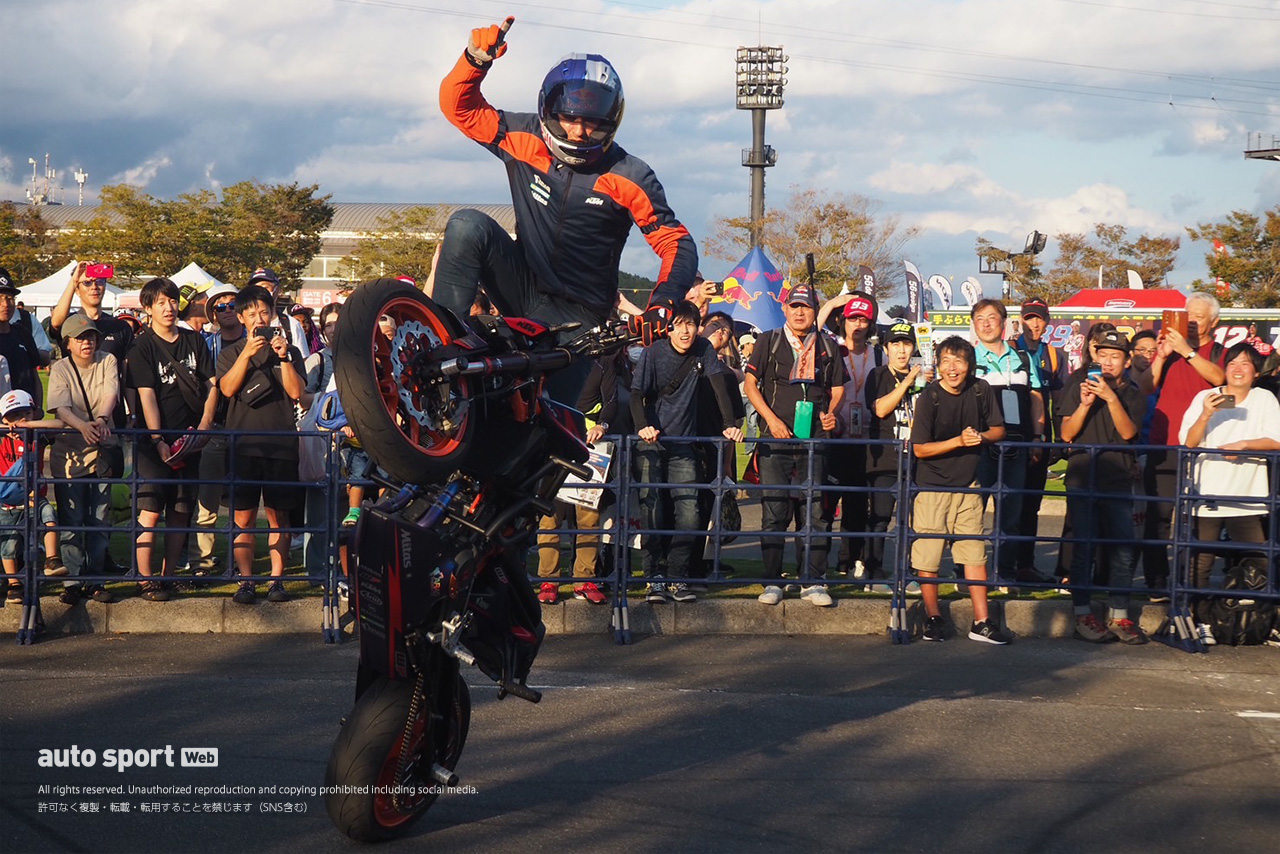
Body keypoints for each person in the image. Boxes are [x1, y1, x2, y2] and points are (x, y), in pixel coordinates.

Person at [436, 16, 698, 402]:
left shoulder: (631, 175)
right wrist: (474, 61)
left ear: (611, 121)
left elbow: (676, 242)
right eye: (569, 117)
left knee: (555, 429)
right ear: (548, 111)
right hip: (521, 286)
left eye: (591, 122)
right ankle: (438, 343)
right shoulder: (523, 138)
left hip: (582, 323)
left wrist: (661, 304)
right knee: (466, 225)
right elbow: (461, 110)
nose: (578, 131)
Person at [631, 300, 742, 603]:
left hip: (685, 444)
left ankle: (678, 578)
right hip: (651, 443)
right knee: (651, 509)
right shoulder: (654, 353)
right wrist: (643, 426)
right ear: (669, 328)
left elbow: (719, 386)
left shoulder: (704, 349)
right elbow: (636, 394)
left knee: (690, 513)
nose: (685, 331)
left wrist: (729, 424)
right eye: (679, 324)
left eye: (691, 324)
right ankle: (654, 578)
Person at [744, 285, 847, 608]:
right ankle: (772, 581)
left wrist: (832, 414)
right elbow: (750, 384)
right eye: (795, 306)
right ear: (785, 310)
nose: (800, 312)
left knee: (815, 513)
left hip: (815, 439)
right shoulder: (768, 340)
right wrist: (771, 420)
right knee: (775, 512)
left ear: (815, 311)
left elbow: (838, 388)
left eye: (806, 307)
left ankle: (813, 581)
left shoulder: (827, 345)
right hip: (775, 439)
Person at [909, 336, 1011, 644]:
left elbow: (999, 428)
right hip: (932, 487)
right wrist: (958, 441)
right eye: (946, 362)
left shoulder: (981, 390)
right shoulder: (929, 397)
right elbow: (919, 449)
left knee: (975, 554)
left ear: (969, 365)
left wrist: (979, 437)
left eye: (959, 362)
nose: (952, 369)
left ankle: (982, 621)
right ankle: (933, 617)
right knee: (927, 557)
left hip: (969, 486)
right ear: (938, 365)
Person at [1178, 342, 1280, 645]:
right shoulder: (1203, 397)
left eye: (1245, 363)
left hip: (1248, 496)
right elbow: (1188, 443)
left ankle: (1260, 619)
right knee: (1200, 563)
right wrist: (1206, 413)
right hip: (1206, 494)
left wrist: (1245, 445)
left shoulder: (1265, 399)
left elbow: (1276, 439)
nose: (1238, 369)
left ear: (1256, 371)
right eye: (1232, 362)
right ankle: (1200, 621)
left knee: (1261, 560)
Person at [126, 278, 219, 601]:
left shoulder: (195, 341)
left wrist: (206, 423)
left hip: (191, 438)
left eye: (172, 301)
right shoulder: (142, 345)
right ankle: (145, 577)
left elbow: (212, 385)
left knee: (181, 509)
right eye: (161, 303)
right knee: (150, 510)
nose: (168, 308)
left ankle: (168, 575)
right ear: (148, 308)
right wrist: (157, 439)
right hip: (154, 444)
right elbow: (146, 395)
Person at [217, 285, 306, 605]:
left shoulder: (290, 351)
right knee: (242, 517)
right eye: (252, 313)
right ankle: (245, 580)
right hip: (242, 445)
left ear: (273, 315)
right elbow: (227, 389)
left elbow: (297, 394)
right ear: (240, 317)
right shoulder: (230, 353)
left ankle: (276, 580)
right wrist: (246, 354)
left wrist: (283, 357)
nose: (259, 318)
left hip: (281, 444)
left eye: (264, 312)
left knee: (278, 516)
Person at [1059, 330, 1148, 644]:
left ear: (1126, 361)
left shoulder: (1134, 394)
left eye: (1115, 356)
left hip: (1118, 478)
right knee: (1083, 548)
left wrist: (1110, 398)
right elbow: (1067, 434)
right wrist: (1085, 404)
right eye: (1103, 354)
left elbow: (1128, 433)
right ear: (1094, 356)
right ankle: (1083, 614)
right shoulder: (1077, 383)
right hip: (1083, 475)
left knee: (1124, 550)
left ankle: (1120, 615)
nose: (1108, 362)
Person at [1143, 293, 1226, 600]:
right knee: (1158, 516)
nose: (1190, 322)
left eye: (1198, 318)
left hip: (1204, 449)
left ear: (1214, 322)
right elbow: (1146, 386)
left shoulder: (1218, 352)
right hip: (1163, 444)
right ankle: (1156, 582)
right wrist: (1163, 355)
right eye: (1187, 316)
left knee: (1197, 520)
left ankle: (1188, 581)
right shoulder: (1169, 350)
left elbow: (1220, 379)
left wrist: (1189, 352)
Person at [970, 298, 1044, 586]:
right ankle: (968, 573)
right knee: (971, 514)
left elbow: (1036, 398)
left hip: (1016, 448)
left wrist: (1038, 436)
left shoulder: (1023, 358)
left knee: (1011, 516)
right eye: (980, 318)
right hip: (979, 449)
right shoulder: (968, 359)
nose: (986, 323)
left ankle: (1005, 573)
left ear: (1004, 322)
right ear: (973, 324)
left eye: (992, 317)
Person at [47, 314, 120, 604]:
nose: (87, 342)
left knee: (100, 518)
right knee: (72, 518)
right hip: (70, 452)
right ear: (68, 343)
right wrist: (83, 426)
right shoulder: (60, 368)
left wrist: (101, 420)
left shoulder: (107, 360)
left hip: (102, 448)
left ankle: (95, 579)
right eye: (80, 338)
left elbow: (110, 391)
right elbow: (60, 407)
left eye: (90, 336)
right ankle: (73, 581)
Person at [865, 320, 928, 585]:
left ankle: (907, 571)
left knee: (911, 522)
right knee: (879, 519)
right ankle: (874, 571)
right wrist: (909, 380)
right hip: (885, 459)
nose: (902, 350)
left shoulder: (926, 377)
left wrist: (924, 381)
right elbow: (880, 409)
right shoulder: (878, 375)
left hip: (917, 459)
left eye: (906, 344)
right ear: (887, 347)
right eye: (896, 344)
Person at [1010, 299, 1067, 584]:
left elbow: (1058, 402)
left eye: (1039, 319)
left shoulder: (1055, 355)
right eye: (1030, 318)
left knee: (1032, 505)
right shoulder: (1009, 349)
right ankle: (1002, 566)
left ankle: (1025, 566)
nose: (1034, 324)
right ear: (1021, 319)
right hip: (1011, 440)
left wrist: (1056, 441)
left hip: (1040, 441)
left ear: (1047, 322)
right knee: (1009, 504)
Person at [0, 390, 69, 604]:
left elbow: (62, 425)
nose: (20, 420)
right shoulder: (2, 438)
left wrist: (29, 426)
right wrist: (5, 428)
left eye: (26, 414)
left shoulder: (38, 435)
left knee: (49, 514)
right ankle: (14, 584)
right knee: (9, 545)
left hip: (34, 498)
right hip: (8, 502)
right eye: (13, 416)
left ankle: (51, 560)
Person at [829, 294, 881, 580]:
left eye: (863, 319)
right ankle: (822, 562)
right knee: (827, 501)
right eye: (852, 319)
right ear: (842, 321)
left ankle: (851, 559)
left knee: (858, 505)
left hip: (867, 437)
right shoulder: (832, 350)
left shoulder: (879, 354)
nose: (857, 325)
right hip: (837, 433)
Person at [0, 268, 48, 412]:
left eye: (9, 299)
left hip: (26, 418)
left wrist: (38, 408)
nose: (6, 304)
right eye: (0, 298)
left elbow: (34, 375)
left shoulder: (22, 332)